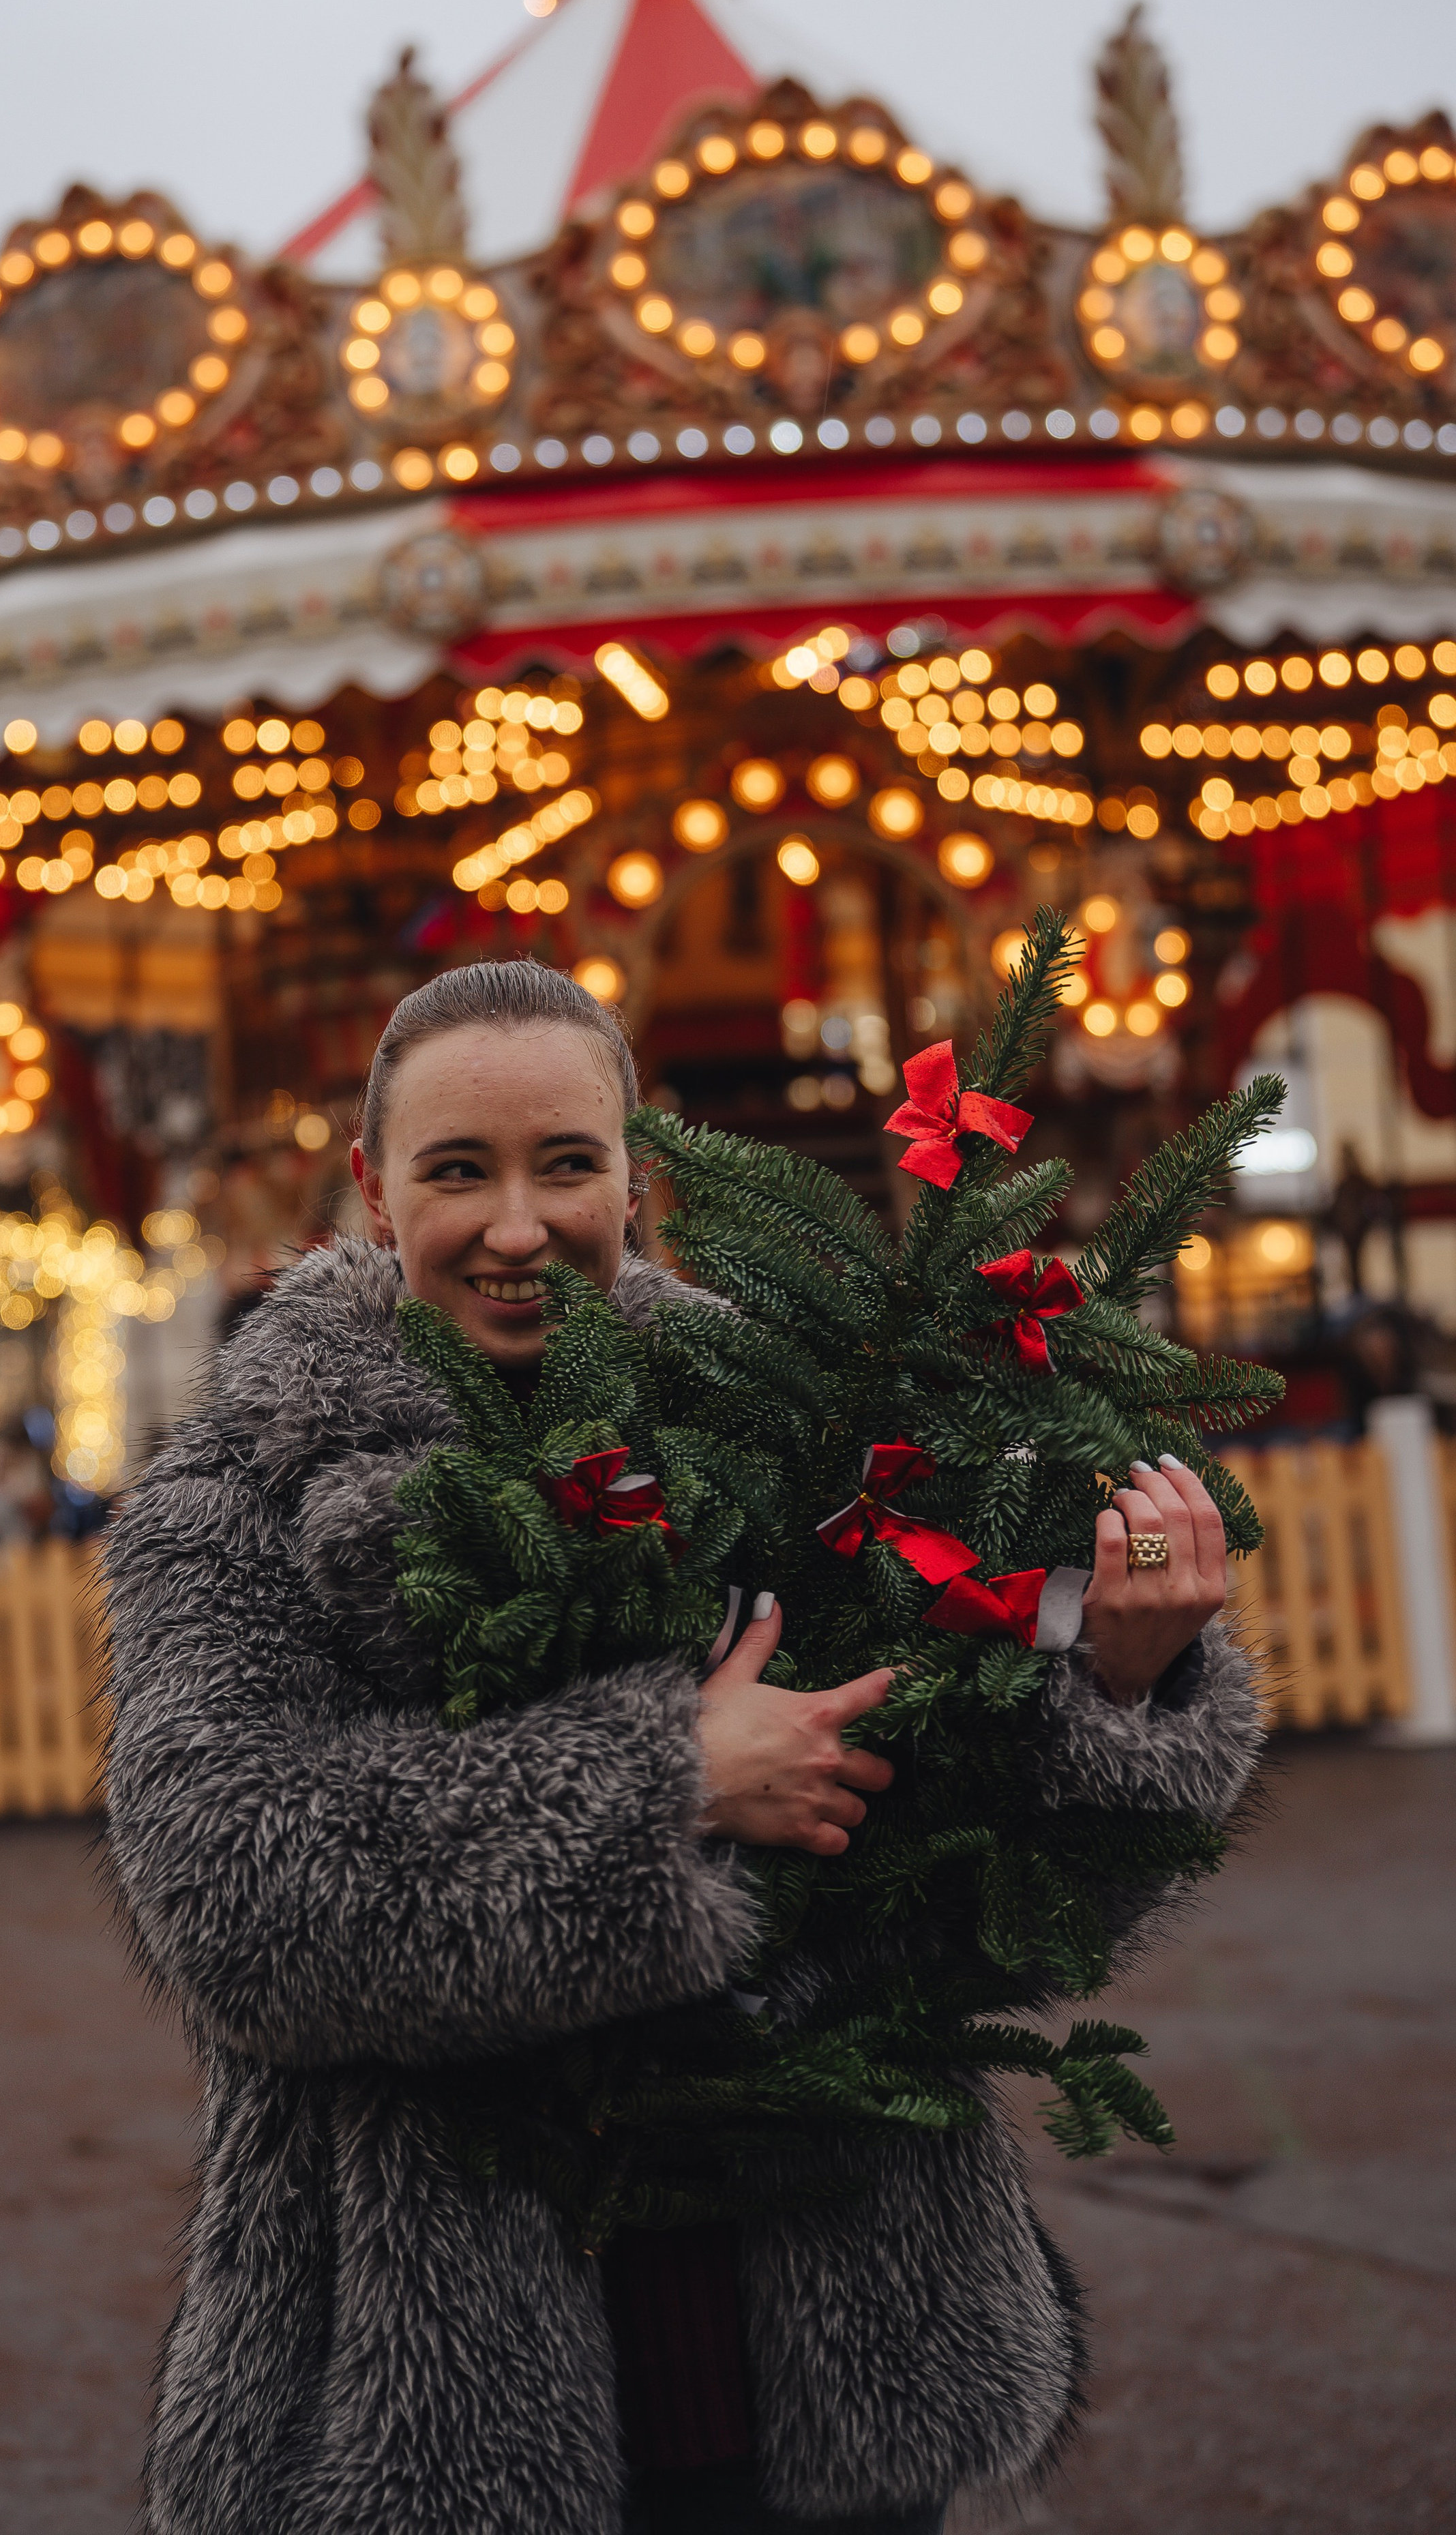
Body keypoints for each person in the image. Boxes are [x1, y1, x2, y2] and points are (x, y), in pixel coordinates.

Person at [102, 958, 1258, 2535]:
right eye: (459, 1171)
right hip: (437, 2403)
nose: (517, 1226)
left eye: (563, 1165)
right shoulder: (230, 1507)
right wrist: (668, 1783)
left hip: (826, 2350)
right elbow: (236, 1905)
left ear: (635, 1183)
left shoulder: (785, 1438)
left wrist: (1115, 1694)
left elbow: (981, 1917)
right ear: (373, 1194)